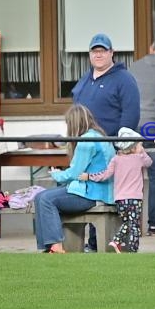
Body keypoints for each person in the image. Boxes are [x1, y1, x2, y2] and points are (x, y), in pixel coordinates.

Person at [72, 33, 140, 252]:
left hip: (110, 149)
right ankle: (82, 242)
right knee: (84, 191)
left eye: (103, 51)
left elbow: (130, 115)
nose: (98, 54)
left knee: (108, 195)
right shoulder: (85, 79)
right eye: (95, 51)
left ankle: (105, 243)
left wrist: (122, 147)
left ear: (112, 53)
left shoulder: (124, 79)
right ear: (90, 54)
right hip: (84, 148)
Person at [33, 105, 115, 253]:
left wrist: (55, 173)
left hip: (91, 194)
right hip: (99, 191)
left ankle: (55, 245)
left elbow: (74, 173)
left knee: (45, 199)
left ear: (74, 123)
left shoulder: (86, 141)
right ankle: (50, 246)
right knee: (40, 197)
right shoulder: (99, 135)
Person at [80, 127, 152, 253]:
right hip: (135, 199)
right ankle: (125, 246)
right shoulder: (139, 158)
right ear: (133, 147)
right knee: (134, 225)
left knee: (128, 222)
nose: (142, 146)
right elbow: (149, 162)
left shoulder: (116, 159)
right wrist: (143, 152)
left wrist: (89, 176)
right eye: (140, 144)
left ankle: (121, 244)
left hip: (120, 199)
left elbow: (105, 174)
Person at [130, 37, 155, 236]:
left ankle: (131, 224)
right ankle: (154, 225)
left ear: (150, 48)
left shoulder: (133, 67)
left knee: (132, 177)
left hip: (133, 127)